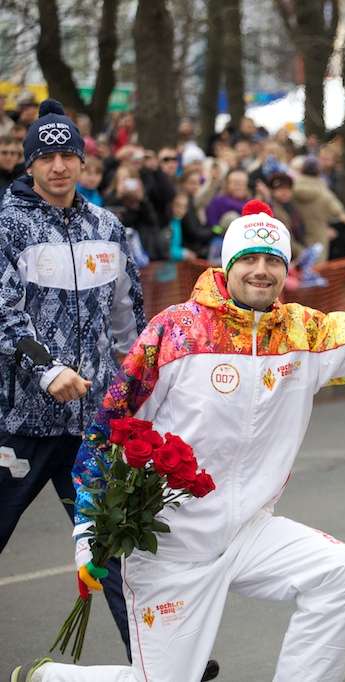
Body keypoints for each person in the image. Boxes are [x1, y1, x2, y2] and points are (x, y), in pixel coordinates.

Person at [14, 199, 345, 682]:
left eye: (272, 261)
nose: (261, 271)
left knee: (340, 572)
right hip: (170, 544)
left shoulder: (304, 333)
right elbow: (109, 428)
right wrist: (88, 538)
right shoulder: (177, 332)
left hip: (248, 530)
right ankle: (54, 678)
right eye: (249, 259)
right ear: (228, 264)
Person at [0, 100, 145, 664]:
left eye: (68, 155)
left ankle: (158, 659)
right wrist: (48, 369)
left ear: (84, 163)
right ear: (31, 163)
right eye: (47, 156)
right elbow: (5, 312)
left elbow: (128, 320)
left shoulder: (107, 227)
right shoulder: (8, 225)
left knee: (113, 549)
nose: (59, 166)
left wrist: (135, 390)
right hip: (20, 423)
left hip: (92, 428)